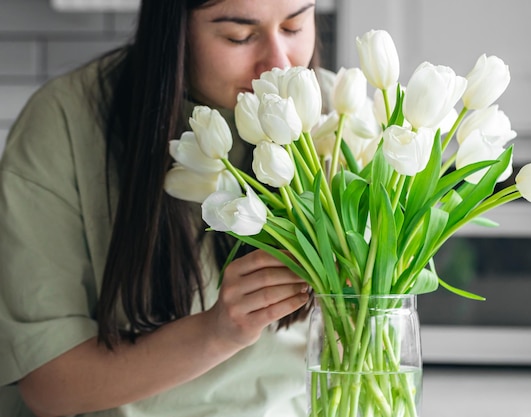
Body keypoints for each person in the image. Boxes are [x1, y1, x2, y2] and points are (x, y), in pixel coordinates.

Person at [0, 1, 323, 416]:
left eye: (295, 27)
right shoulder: (65, 120)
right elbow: (48, 385)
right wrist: (218, 333)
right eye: (238, 36)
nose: (277, 63)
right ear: (174, 30)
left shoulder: (333, 117)